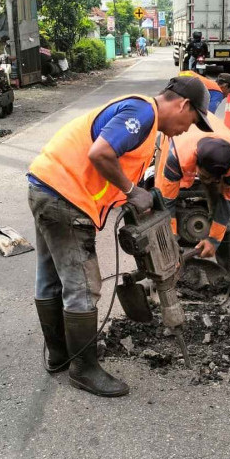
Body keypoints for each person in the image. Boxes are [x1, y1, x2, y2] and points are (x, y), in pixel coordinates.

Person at [26, 76, 212, 397]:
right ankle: (84, 368)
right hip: (66, 197)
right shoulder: (144, 113)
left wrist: (135, 197)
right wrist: (130, 190)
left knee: (50, 277)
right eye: (192, 120)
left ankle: (59, 355)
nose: (187, 129)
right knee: (84, 285)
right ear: (182, 105)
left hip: (45, 186)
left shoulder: (147, 124)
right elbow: (100, 153)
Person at [155, 113, 230, 297]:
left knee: (223, 218)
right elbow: (168, 204)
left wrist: (214, 239)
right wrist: (172, 243)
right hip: (176, 142)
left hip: (212, 151)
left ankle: (227, 273)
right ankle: (161, 274)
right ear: (196, 162)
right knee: (158, 206)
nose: (208, 181)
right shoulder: (177, 156)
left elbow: (227, 203)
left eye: (214, 178)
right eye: (205, 176)